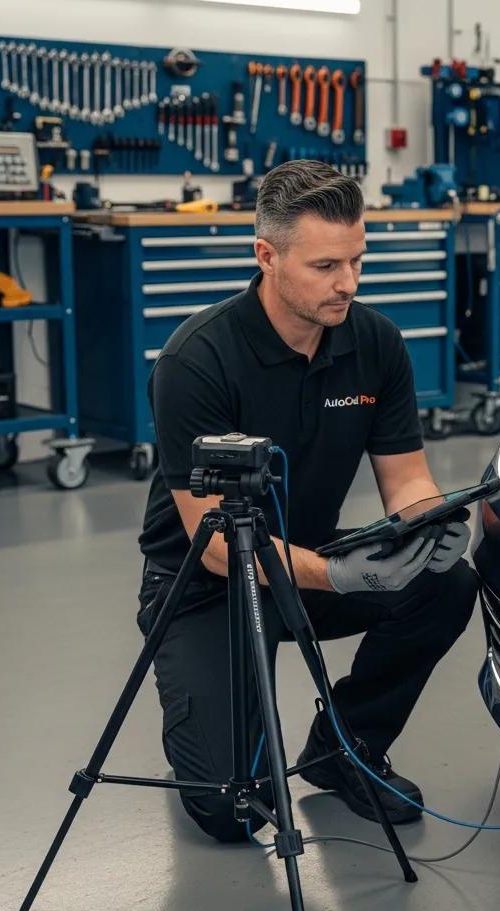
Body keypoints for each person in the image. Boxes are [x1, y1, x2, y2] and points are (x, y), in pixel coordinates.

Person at [136, 160, 478, 842]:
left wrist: (430, 523)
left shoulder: (374, 342)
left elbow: (406, 476)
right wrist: (338, 575)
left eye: (356, 261)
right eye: (325, 266)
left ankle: (344, 749)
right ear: (267, 256)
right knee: (234, 812)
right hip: (205, 586)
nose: (347, 283)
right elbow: (214, 544)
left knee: (445, 584)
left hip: (305, 561)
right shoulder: (197, 361)